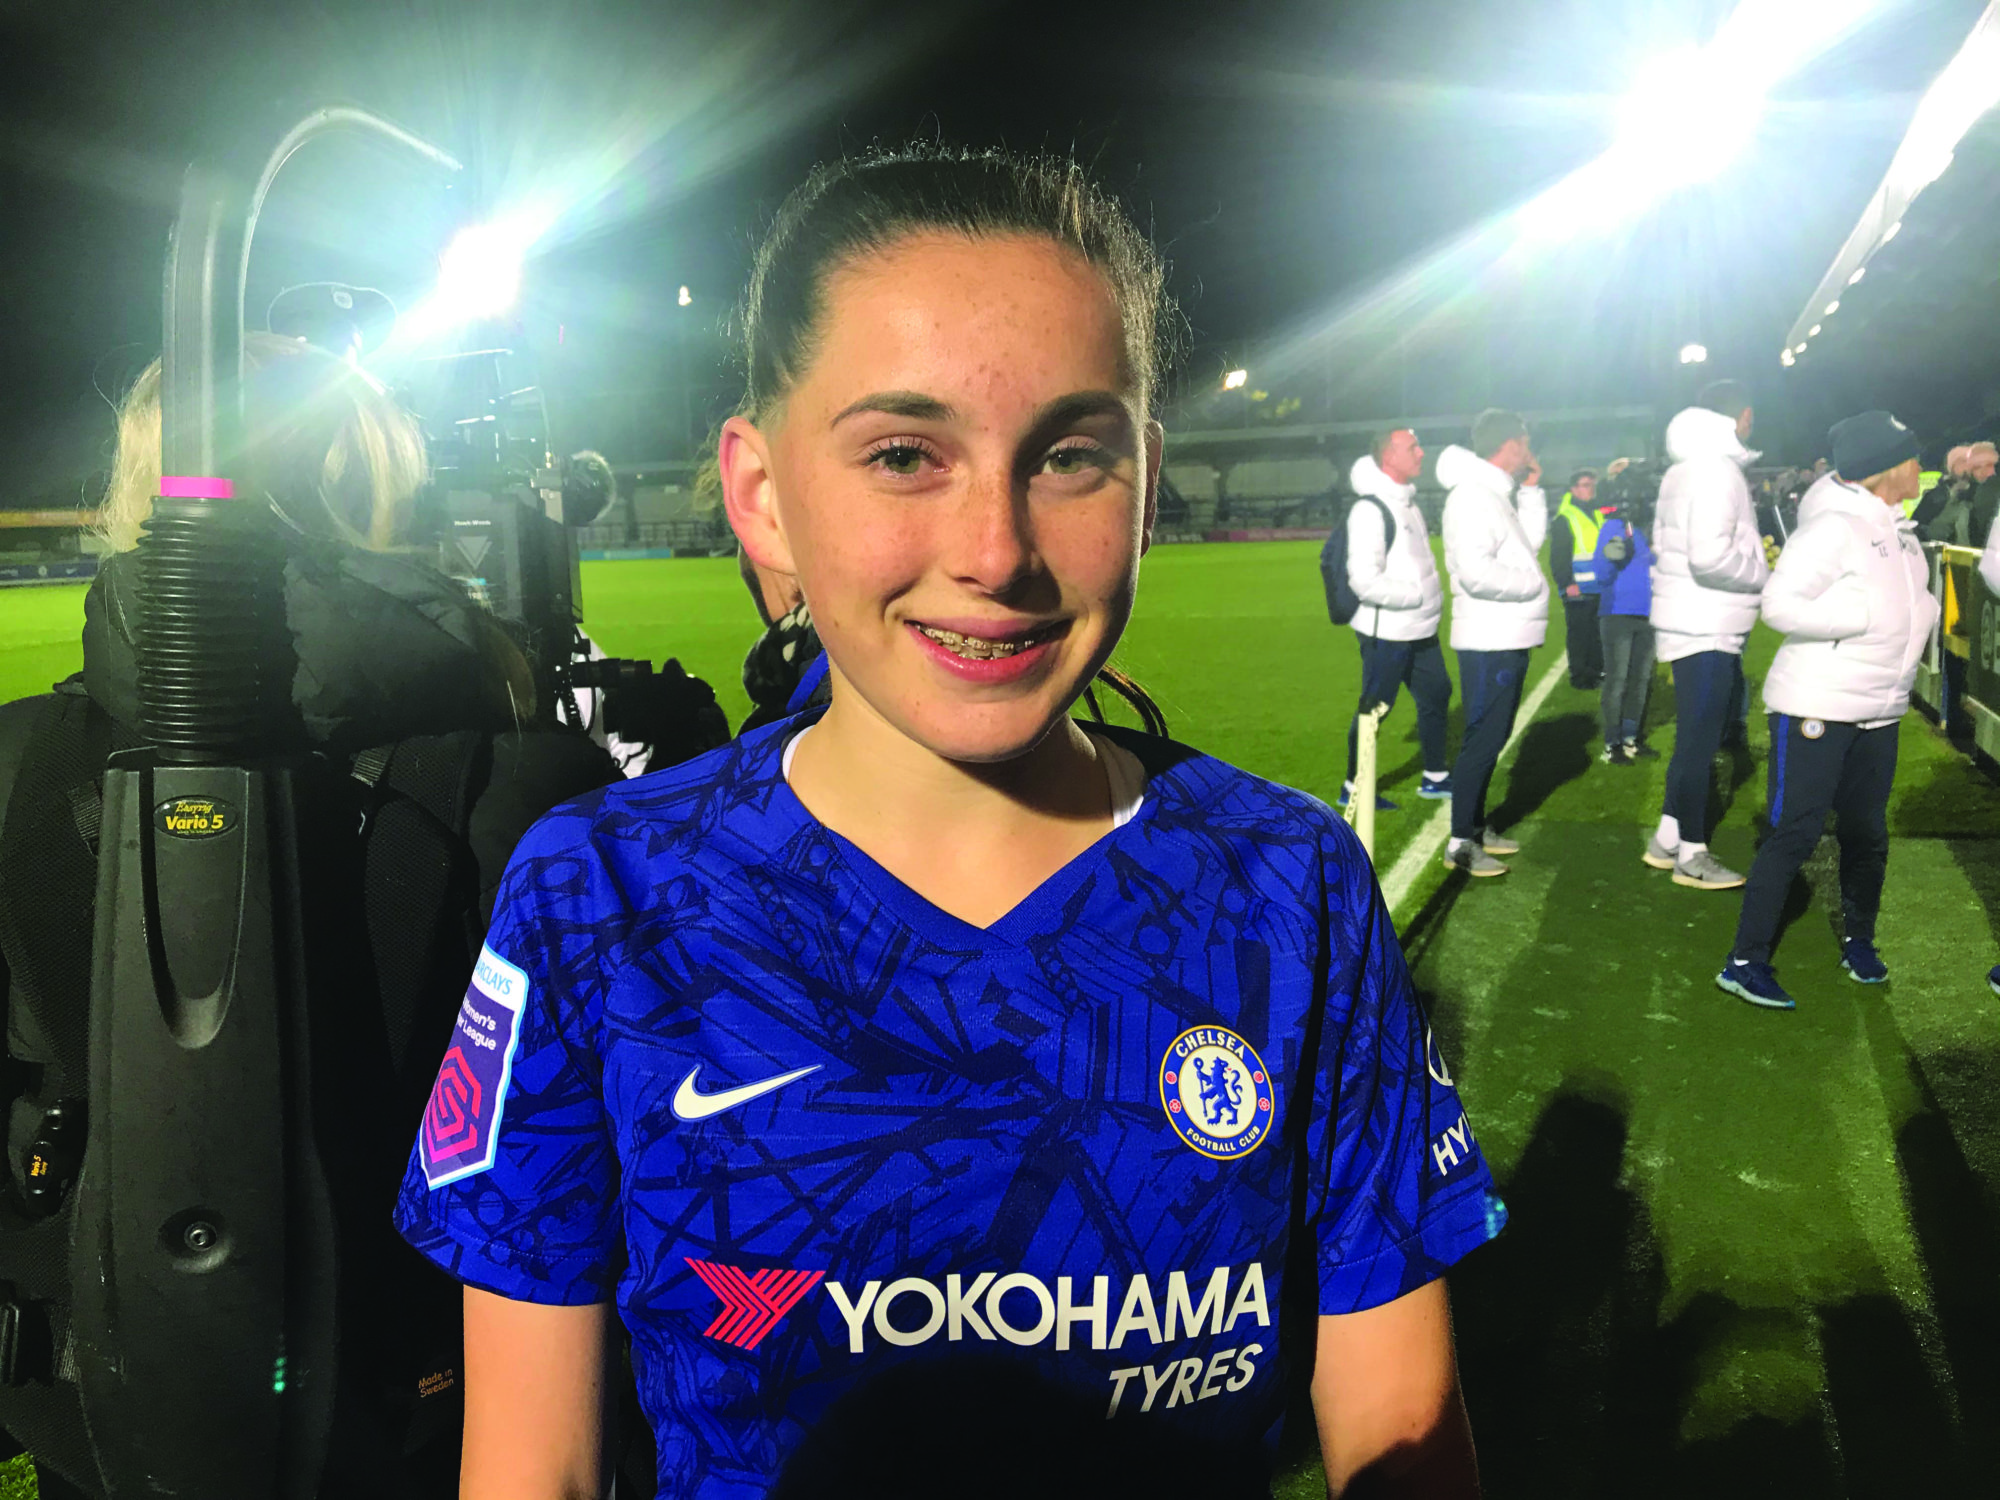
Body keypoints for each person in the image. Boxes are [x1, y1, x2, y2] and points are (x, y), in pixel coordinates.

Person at [396, 145, 1503, 1500]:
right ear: (762, 496)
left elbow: (1400, 1429)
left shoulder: (1289, 883)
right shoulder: (601, 898)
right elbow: (532, 1470)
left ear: (1145, 480)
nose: (995, 551)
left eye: (1071, 456)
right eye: (904, 455)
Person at [0, 332, 619, 1496]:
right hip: (440, 1409)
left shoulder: (16, 764)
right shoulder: (535, 788)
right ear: (384, 477)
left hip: (95, 1415)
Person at [1716, 412, 1938, 1010]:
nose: (1921, 466)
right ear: (1885, 466)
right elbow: (1779, 605)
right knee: (1796, 832)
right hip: (1816, 706)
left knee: (1867, 833)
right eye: (1913, 456)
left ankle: (1859, 941)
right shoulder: (1835, 528)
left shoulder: (1901, 532)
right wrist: (1859, 619)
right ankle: (1744, 961)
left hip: (1880, 710)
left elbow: (1908, 606)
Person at [1644, 379, 1770, 891]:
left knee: (1692, 738)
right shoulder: (1717, 469)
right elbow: (1710, 556)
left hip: (1691, 616)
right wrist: (1762, 573)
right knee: (1698, 744)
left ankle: (1667, 839)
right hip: (1706, 621)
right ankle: (1692, 855)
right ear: (1740, 417)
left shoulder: (1685, 468)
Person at [1438, 409, 1548, 877]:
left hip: (1502, 633)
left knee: (1492, 736)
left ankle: (1475, 828)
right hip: (1489, 639)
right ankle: (1460, 842)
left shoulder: (1493, 493)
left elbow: (1527, 548)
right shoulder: (1473, 495)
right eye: (1525, 441)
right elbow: (1475, 571)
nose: (1530, 450)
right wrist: (1532, 585)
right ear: (1511, 444)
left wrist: (1532, 491)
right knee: (1483, 739)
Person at [1339, 427, 1452, 811]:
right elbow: (1363, 580)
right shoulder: (1370, 509)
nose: (1421, 453)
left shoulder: (1408, 502)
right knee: (1375, 708)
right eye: (1412, 447)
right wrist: (1416, 596)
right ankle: (1354, 786)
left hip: (1420, 628)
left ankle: (1435, 775)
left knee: (1437, 693)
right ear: (1388, 457)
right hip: (1386, 631)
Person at [1587, 486, 1656, 765]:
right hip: (1618, 614)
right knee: (1617, 681)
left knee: (1640, 680)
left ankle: (1630, 738)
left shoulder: (1643, 531)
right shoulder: (1614, 527)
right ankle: (1611, 744)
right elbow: (1601, 573)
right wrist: (1610, 555)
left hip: (1647, 614)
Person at [1549, 468, 1605, 690]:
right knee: (1580, 634)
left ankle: (1596, 671)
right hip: (1578, 587)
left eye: (1592, 485)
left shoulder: (1598, 513)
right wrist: (1567, 582)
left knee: (1597, 633)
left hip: (1599, 586)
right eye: (1585, 485)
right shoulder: (1565, 518)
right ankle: (1580, 676)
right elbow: (1558, 556)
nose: (1590, 489)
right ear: (1574, 489)